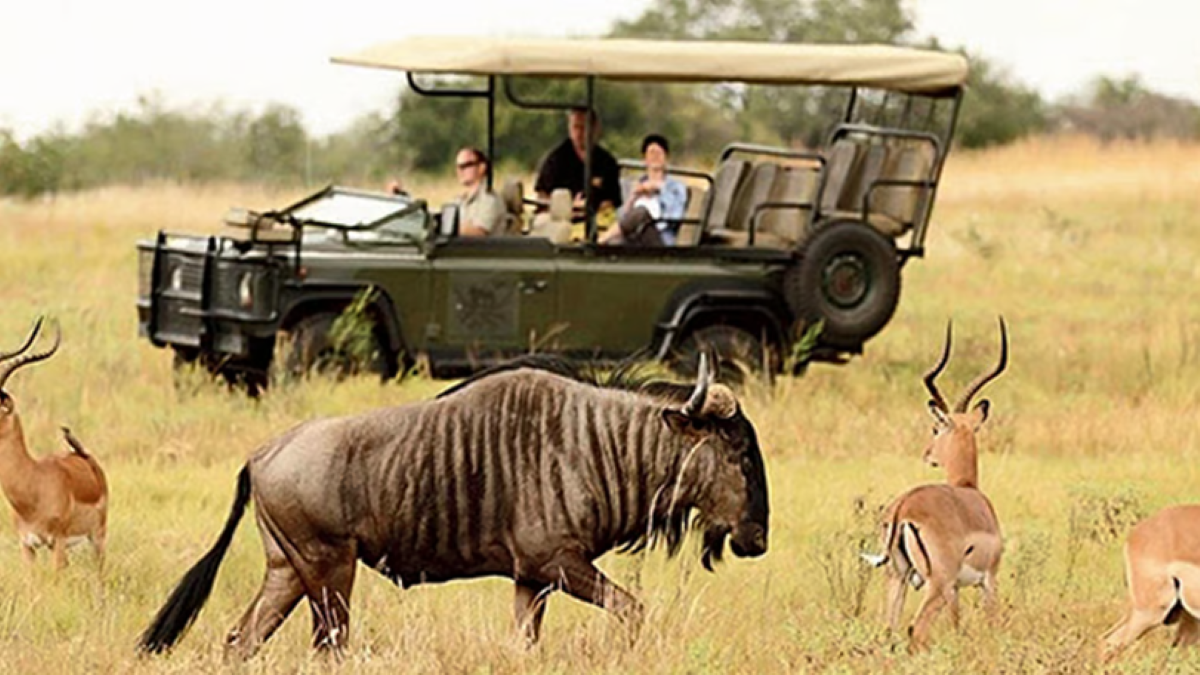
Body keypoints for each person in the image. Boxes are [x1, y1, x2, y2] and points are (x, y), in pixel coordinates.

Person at [534, 107, 622, 218]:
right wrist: (569, 207)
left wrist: (591, 208)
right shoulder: (556, 160)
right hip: (561, 220)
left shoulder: (607, 162)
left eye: (583, 128)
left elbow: (612, 200)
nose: (579, 133)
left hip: (596, 221)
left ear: (595, 129)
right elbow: (542, 197)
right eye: (575, 127)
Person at [601, 134, 688, 246]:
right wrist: (634, 196)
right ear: (645, 158)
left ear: (666, 157)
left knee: (641, 212)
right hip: (632, 236)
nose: (655, 157)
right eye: (651, 153)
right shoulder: (634, 184)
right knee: (617, 239)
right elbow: (621, 219)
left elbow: (675, 217)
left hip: (658, 237)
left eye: (659, 153)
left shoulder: (676, 187)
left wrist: (660, 189)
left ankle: (601, 240)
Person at [452, 147, 505, 237]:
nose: (460, 171)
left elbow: (479, 233)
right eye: (458, 167)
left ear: (481, 167)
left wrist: (448, 227)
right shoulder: (459, 200)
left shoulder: (489, 200)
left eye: (465, 166)